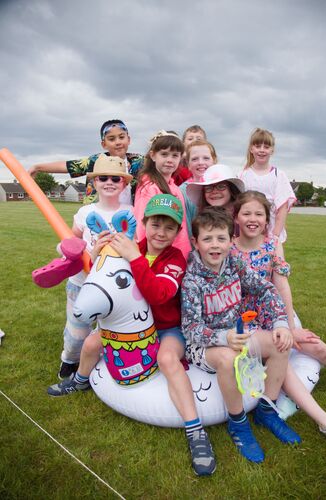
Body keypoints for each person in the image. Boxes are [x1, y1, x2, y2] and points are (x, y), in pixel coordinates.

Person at [48, 194, 216, 477]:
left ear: (177, 232)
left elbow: (159, 295)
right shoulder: (132, 246)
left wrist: (135, 258)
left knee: (168, 360)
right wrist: (99, 252)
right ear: (144, 224)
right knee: (91, 342)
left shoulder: (174, 258)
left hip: (166, 327)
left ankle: (195, 430)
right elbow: (106, 280)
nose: (161, 232)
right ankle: (79, 381)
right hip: (130, 326)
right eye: (155, 224)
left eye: (169, 227)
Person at [230, 190, 326, 454]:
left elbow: (281, 284)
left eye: (259, 214)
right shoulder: (229, 246)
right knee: (283, 353)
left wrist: (291, 325)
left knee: (311, 343)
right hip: (247, 320)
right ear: (236, 216)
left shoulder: (272, 244)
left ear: (267, 218)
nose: (252, 219)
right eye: (246, 213)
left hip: (273, 311)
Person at [181, 206, 301, 464]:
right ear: (195, 242)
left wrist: (281, 322)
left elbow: (264, 288)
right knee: (228, 358)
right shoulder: (192, 279)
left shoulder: (234, 263)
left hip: (239, 332)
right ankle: (238, 424)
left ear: (230, 240)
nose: (215, 246)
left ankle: (267, 410)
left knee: (280, 344)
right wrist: (223, 338)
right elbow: (190, 328)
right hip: (206, 345)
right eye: (208, 239)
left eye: (221, 238)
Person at [52, 154, 133, 380]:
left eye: (115, 179)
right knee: (78, 330)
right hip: (82, 282)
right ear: (94, 182)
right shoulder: (85, 213)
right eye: (103, 178)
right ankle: (69, 359)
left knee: (110, 329)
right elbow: (69, 243)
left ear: (124, 184)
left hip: (115, 287)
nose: (109, 182)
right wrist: (89, 251)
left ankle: (104, 361)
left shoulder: (131, 211)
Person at [29, 119, 143, 204]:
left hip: (129, 220)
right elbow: (68, 166)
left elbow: (159, 161)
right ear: (104, 144)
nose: (118, 142)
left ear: (129, 139)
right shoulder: (96, 161)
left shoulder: (139, 162)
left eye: (121, 137)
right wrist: (38, 167)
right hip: (98, 219)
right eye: (111, 139)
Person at [133, 130, 191, 259]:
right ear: (153, 155)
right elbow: (142, 225)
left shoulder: (176, 189)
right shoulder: (149, 187)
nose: (169, 160)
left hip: (175, 253)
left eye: (175, 155)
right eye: (164, 154)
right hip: (154, 255)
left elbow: (181, 227)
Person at [238, 128, 296, 242]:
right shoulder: (242, 175)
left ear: (272, 150)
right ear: (251, 149)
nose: (262, 150)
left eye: (266, 147)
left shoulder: (278, 175)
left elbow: (282, 209)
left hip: (271, 233)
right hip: (247, 233)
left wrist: (275, 236)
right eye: (258, 146)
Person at [179, 139, 218, 237]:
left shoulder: (221, 188)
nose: (200, 162)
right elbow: (184, 227)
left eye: (206, 158)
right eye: (195, 159)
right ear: (188, 164)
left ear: (214, 160)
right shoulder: (182, 192)